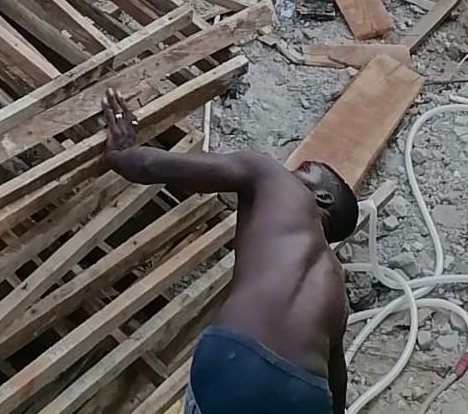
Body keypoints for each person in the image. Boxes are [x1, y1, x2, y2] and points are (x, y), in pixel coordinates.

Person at [101, 88, 356, 414]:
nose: (289, 170)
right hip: (304, 391)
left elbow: (153, 167)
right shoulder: (337, 285)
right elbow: (337, 377)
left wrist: (122, 152)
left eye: (303, 169)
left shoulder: (272, 178)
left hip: (236, 361)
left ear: (323, 198)